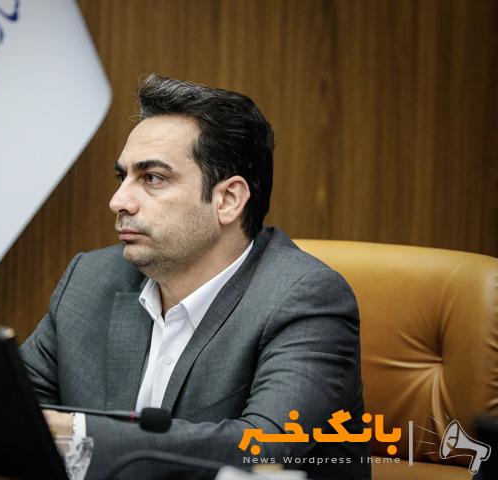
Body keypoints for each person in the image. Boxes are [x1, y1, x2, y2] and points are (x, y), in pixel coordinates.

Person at [20, 73, 370, 479]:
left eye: (152, 178)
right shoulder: (91, 279)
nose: (118, 201)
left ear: (228, 200)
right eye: (123, 177)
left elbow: (263, 447)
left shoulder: (305, 299)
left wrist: (78, 435)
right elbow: (9, 406)